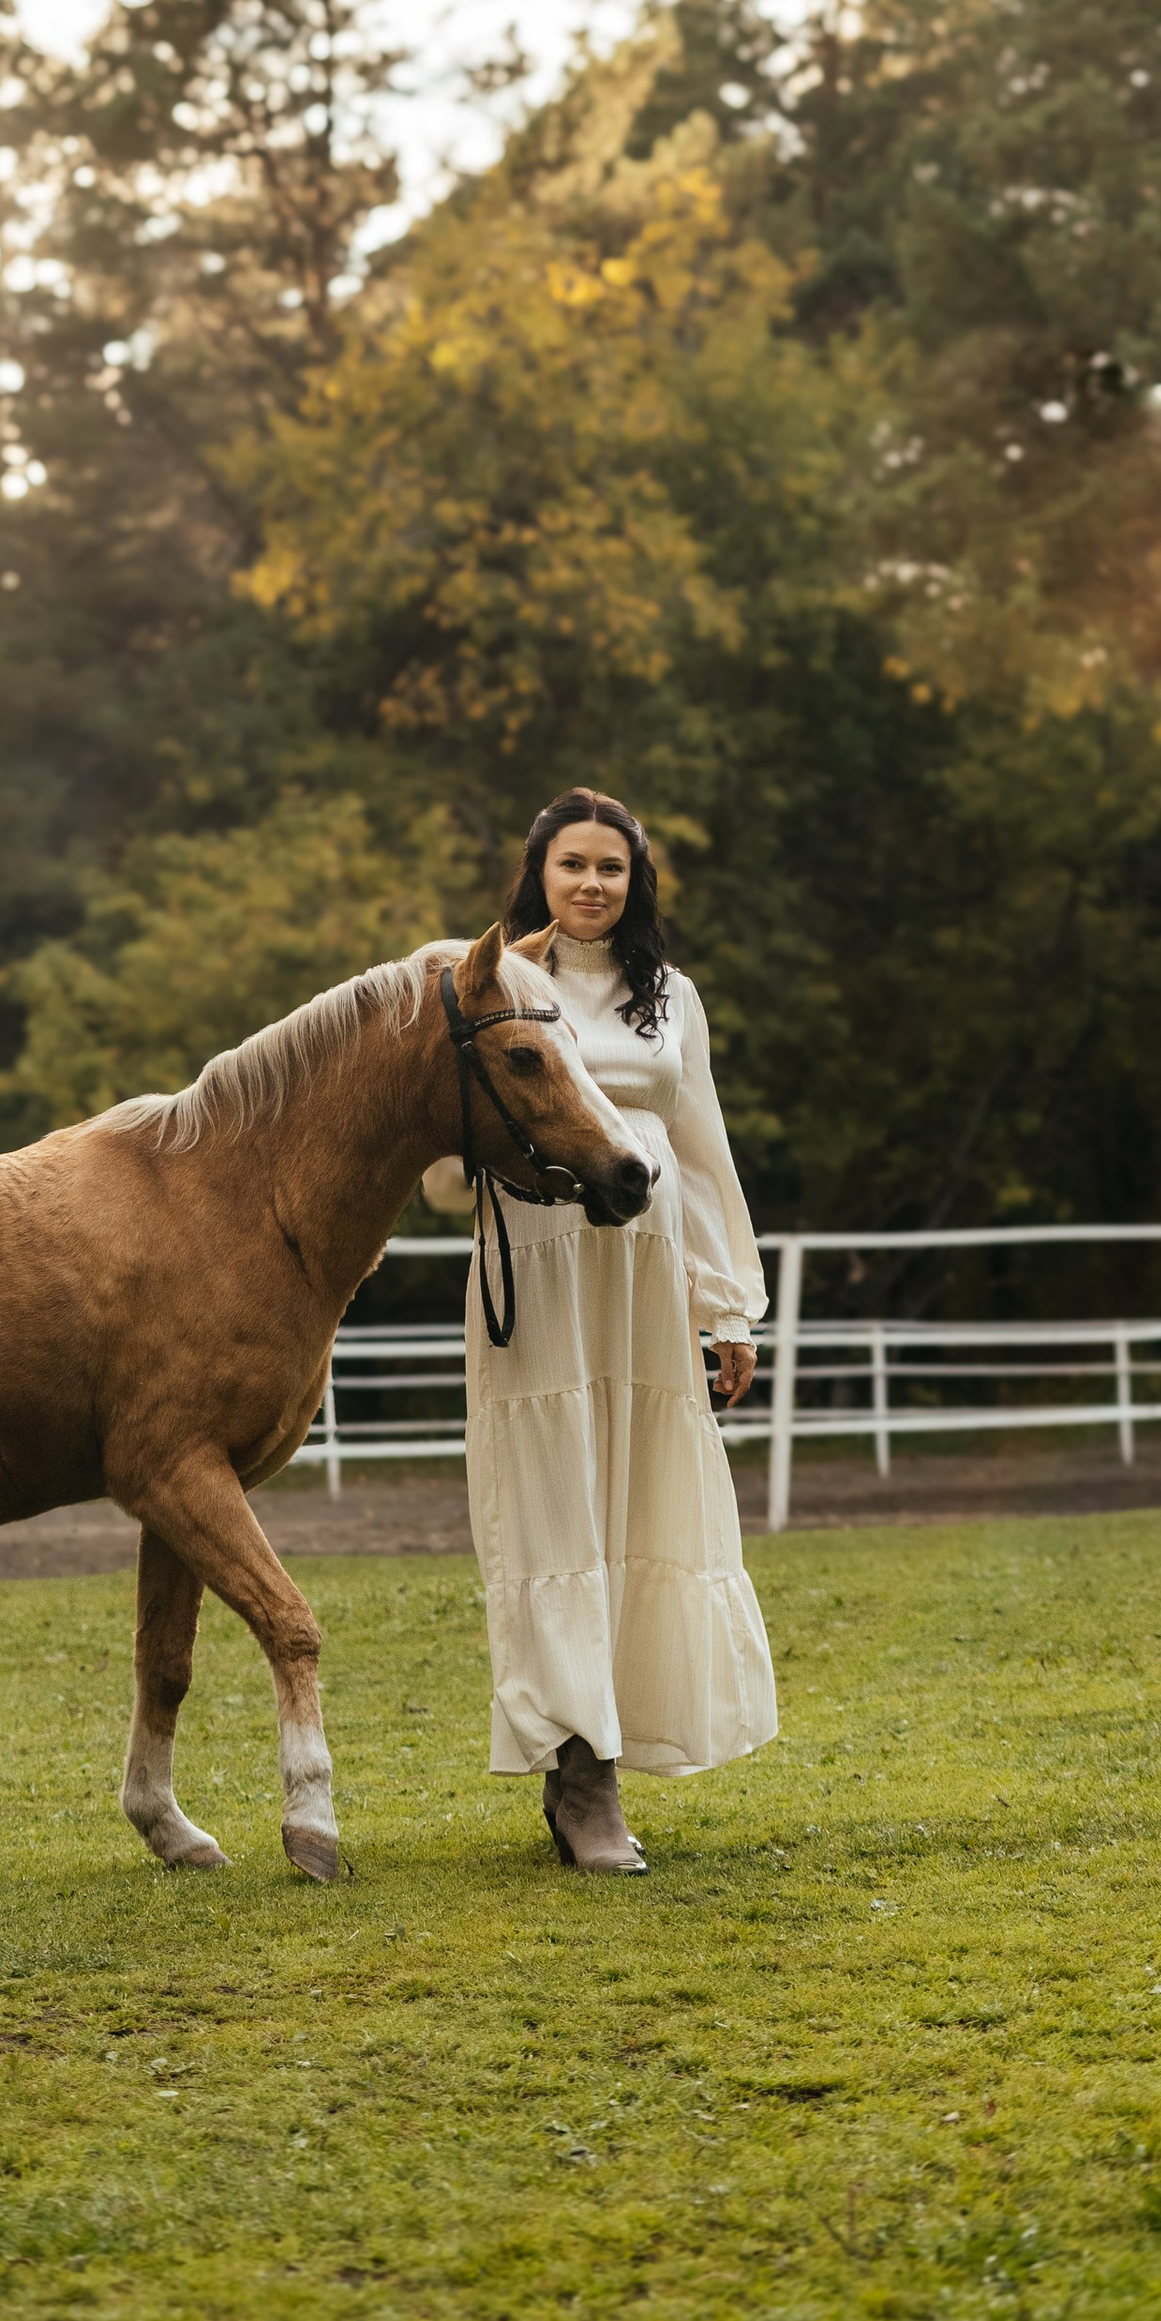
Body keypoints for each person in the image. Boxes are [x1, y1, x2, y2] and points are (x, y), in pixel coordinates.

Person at [422, 786, 776, 1872]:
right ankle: (580, 1775)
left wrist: (724, 1301)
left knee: (638, 1508)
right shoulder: (494, 984)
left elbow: (701, 1148)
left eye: (610, 867)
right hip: (541, 1262)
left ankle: (608, 1747)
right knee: (553, 1512)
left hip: (644, 1272)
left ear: (635, 882)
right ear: (539, 874)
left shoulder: (671, 1001)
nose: (590, 883)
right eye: (571, 864)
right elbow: (442, 1156)